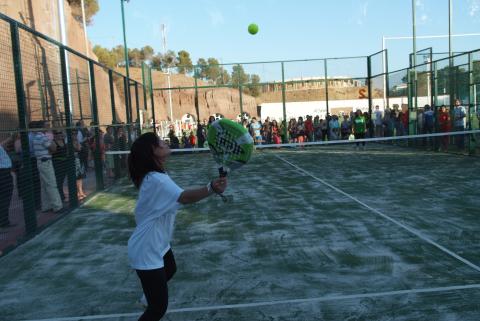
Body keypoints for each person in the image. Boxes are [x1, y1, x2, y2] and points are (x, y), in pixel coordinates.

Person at [127, 132, 227, 321]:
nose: (165, 142)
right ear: (153, 151)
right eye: (160, 142)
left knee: (170, 267)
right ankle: (150, 299)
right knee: (157, 309)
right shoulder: (157, 179)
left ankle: (147, 296)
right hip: (146, 249)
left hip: (156, 243)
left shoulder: (155, 175)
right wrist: (211, 188)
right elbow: (185, 197)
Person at [32, 121, 62, 213]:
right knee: (51, 184)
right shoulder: (42, 137)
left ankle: (47, 206)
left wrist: (51, 149)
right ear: (42, 127)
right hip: (45, 162)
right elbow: (53, 148)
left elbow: (52, 149)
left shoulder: (37, 136)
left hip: (42, 161)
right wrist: (52, 142)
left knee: (45, 185)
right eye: (47, 126)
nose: (49, 127)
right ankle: (57, 207)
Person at [0, 136, 13, 227]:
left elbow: (3, 144)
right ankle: (4, 222)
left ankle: (4, 221)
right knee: (5, 197)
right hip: (3, 173)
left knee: (5, 198)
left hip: (5, 172)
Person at [51, 131, 68, 202]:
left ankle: (62, 196)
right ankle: (61, 197)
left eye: (60, 133)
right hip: (57, 163)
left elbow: (65, 134)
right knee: (59, 181)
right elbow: (53, 152)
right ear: (54, 135)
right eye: (58, 133)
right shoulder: (53, 142)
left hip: (65, 163)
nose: (60, 134)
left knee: (63, 180)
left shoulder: (64, 141)